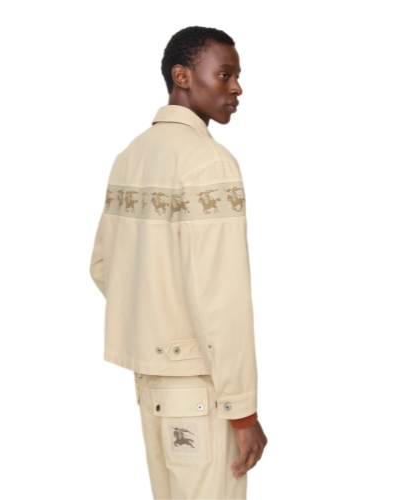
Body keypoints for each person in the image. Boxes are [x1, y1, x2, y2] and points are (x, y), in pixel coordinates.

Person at [89, 26, 267, 499]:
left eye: (237, 76)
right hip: (202, 388)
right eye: (224, 74)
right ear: (182, 75)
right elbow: (222, 298)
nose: (237, 88)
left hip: (151, 383)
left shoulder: (131, 156)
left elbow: (104, 265)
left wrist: (157, 327)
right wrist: (243, 412)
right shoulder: (209, 163)